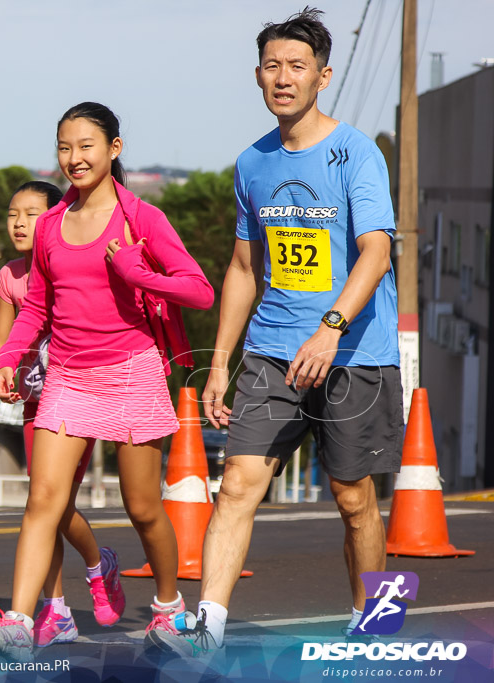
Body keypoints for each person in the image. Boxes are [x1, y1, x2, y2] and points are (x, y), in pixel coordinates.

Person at [147, 8, 403, 658]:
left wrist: (331, 327)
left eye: (296, 66)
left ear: (323, 74)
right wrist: (220, 363)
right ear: (258, 75)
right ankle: (208, 629)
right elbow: (242, 268)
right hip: (270, 351)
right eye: (272, 66)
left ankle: (373, 615)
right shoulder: (252, 163)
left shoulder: (355, 152)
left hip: (354, 353)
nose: (282, 78)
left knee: (353, 499)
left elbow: (376, 251)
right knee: (235, 485)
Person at [0, 102, 214, 660]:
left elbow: (200, 291)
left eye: (85, 146)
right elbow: (37, 308)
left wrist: (135, 271)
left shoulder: (142, 220)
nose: (74, 158)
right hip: (68, 377)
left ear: (113, 150)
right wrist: (8, 357)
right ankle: (19, 621)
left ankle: (170, 611)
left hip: (133, 373)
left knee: (144, 507)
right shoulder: (51, 224)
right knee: (44, 501)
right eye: (64, 147)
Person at [0, 180, 123, 648]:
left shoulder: (71, 262)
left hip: (80, 395)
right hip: (36, 401)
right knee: (41, 506)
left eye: (31, 214)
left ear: (54, 219)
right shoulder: (10, 276)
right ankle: (57, 610)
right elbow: (2, 338)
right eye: (13, 213)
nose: (19, 223)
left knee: (55, 505)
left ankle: (98, 564)